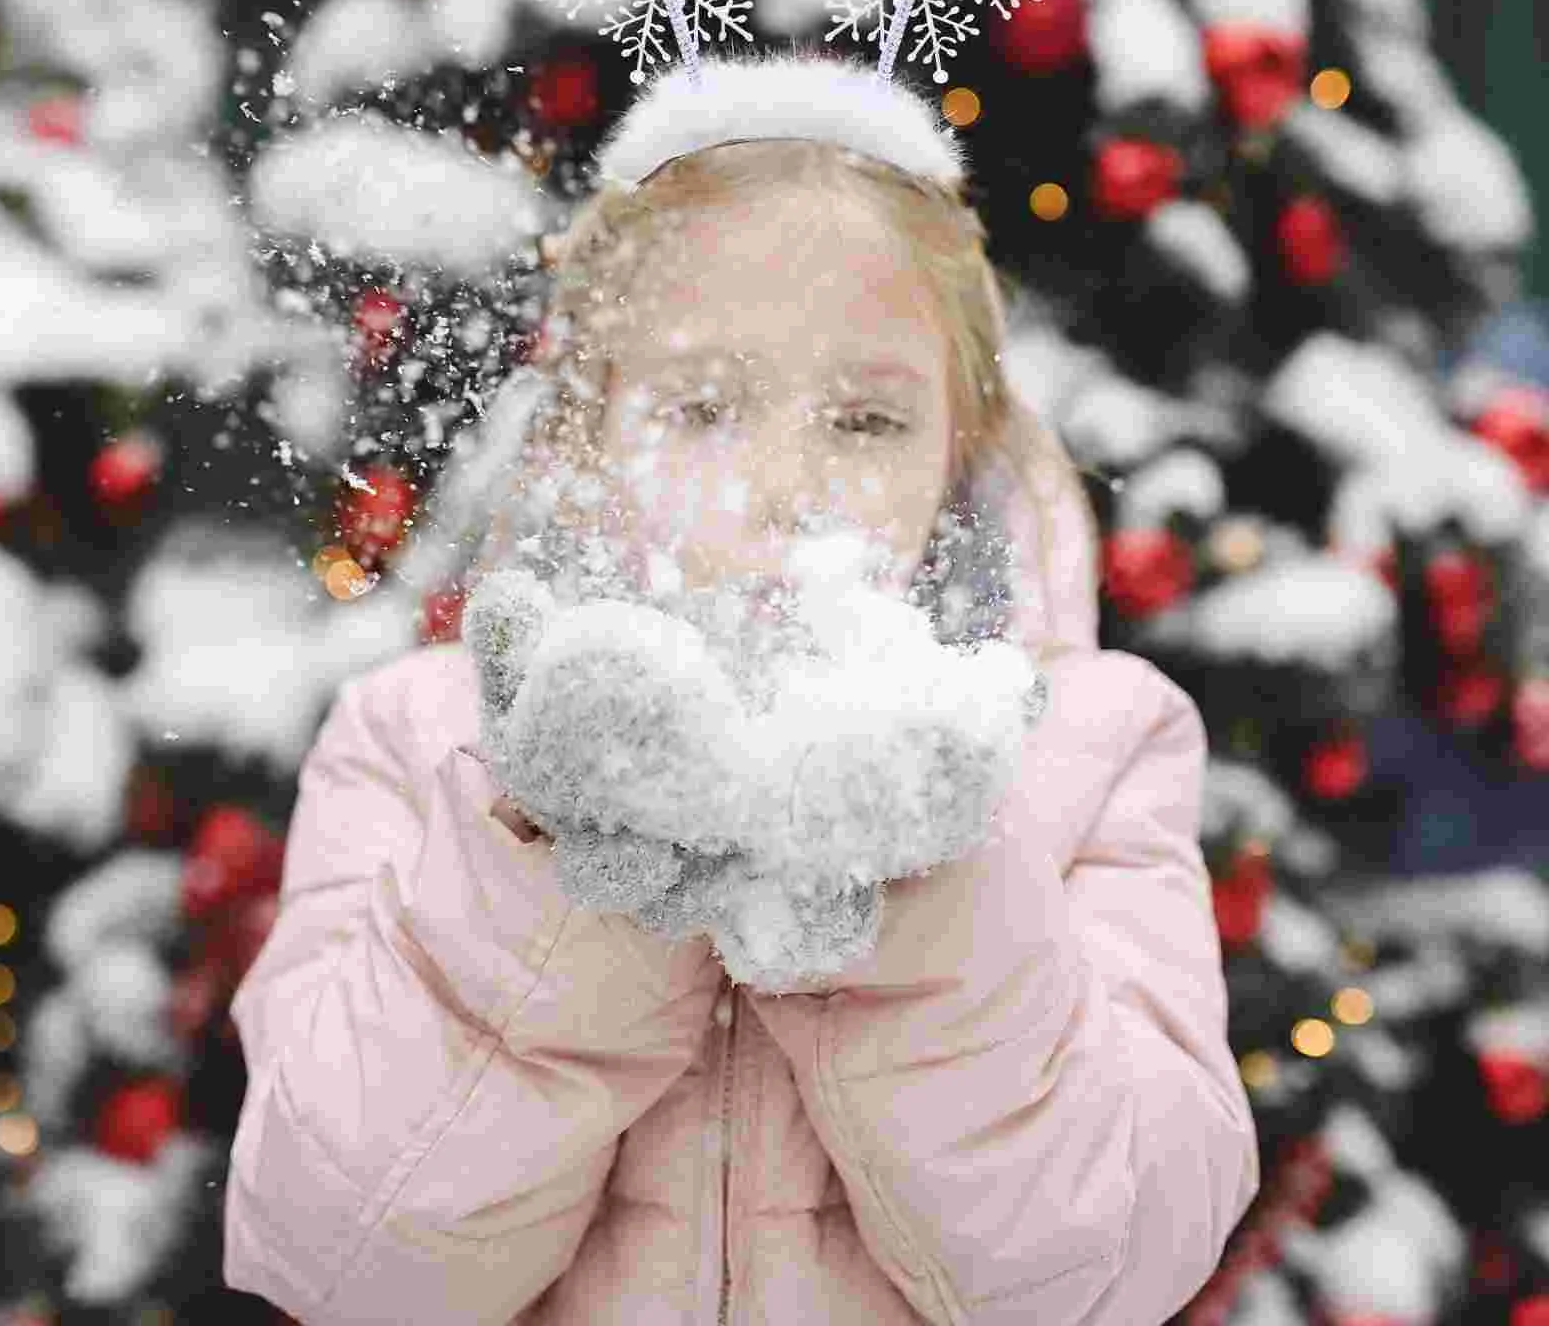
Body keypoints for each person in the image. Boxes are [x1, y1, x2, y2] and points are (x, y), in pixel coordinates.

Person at [221, 66, 1261, 1324]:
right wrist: (562, 859)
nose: (786, 481)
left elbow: (1115, 1268)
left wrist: (923, 881)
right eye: (702, 405)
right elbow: (344, 1262)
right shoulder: (421, 741)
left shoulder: (1094, 745)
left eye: (866, 419)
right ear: (588, 435)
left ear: (960, 449)